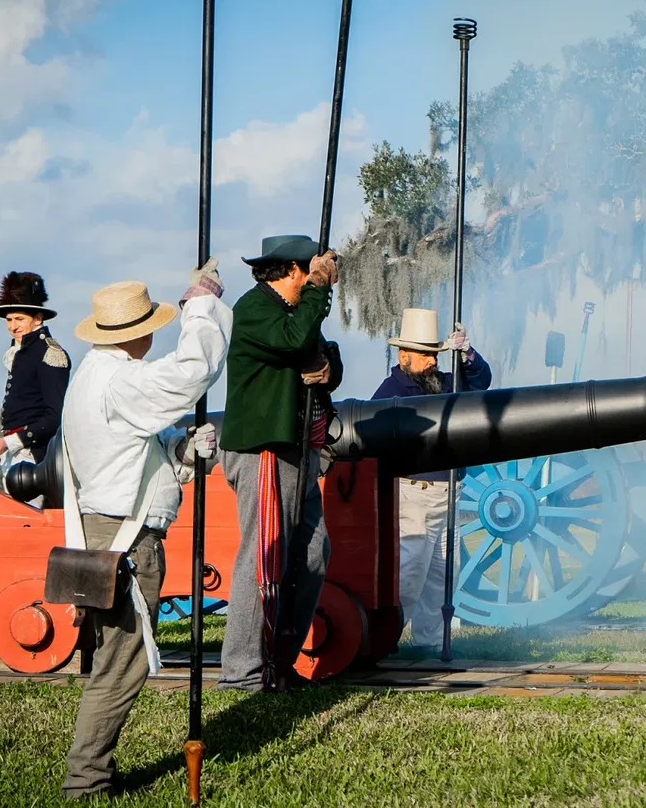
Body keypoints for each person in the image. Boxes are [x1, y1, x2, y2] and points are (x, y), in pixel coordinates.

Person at [59, 263, 231, 800]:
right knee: (121, 668)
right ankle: (85, 781)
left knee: (114, 662)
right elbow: (192, 371)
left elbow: (130, 464)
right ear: (142, 331)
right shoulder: (120, 380)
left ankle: (91, 775)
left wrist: (180, 455)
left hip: (109, 527)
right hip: (127, 541)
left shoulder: (92, 376)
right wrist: (200, 306)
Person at [217, 235, 343, 692]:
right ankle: (242, 672)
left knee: (313, 551)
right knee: (263, 557)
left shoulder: (291, 312)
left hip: (296, 448)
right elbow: (294, 342)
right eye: (311, 269)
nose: (320, 274)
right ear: (294, 269)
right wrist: (319, 290)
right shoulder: (255, 309)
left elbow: (315, 349)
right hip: (263, 448)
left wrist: (328, 367)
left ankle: (277, 662)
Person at [371, 307, 492, 650]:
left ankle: (430, 642)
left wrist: (466, 355)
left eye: (435, 354)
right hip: (414, 492)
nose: (431, 362)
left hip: (449, 492)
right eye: (424, 355)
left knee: (441, 578)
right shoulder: (389, 392)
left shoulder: (445, 384)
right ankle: (385, 641)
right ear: (403, 355)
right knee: (409, 576)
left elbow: (481, 382)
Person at [0, 272, 69, 501]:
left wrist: (6, 443)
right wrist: (2, 450)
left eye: (19, 319)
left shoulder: (50, 353)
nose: (12, 326)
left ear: (37, 318)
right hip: (17, 454)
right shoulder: (19, 353)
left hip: (38, 458)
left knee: (30, 530)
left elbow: (55, 417)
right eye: (9, 320)